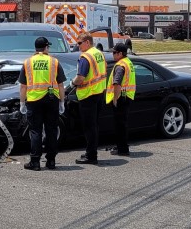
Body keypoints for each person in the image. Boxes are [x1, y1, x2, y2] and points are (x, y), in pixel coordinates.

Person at [18, 36, 66, 171]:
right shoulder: (54, 62)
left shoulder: (27, 62)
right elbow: (61, 85)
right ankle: (51, 161)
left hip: (34, 101)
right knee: (51, 130)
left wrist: (22, 102)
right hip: (51, 99)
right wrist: (62, 102)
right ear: (46, 48)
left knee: (35, 131)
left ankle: (35, 162)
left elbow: (23, 86)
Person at [72, 31, 107, 165]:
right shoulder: (99, 54)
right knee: (94, 126)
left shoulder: (85, 57)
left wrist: (72, 83)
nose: (78, 46)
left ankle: (91, 156)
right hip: (99, 93)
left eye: (80, 43)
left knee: (89, 127)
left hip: (88, 95)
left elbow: (80, 78)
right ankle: (91, 151)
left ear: (87, 42)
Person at [105, 42, 136, 156]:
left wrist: (115, 99)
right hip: (127, 97)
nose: (113, 54)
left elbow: (117, 83)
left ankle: (122, 149)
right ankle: (122, 146)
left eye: (114, 52)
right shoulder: (128, 63)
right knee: (123, 124)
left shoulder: (120, 65)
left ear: (120, 53)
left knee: (120, 126)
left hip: (121, 98)